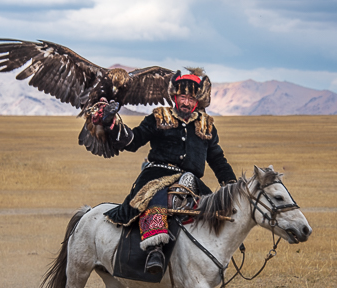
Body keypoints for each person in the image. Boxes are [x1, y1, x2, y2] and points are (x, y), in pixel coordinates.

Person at [87, 69, 236, 274]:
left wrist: (231, 187)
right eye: (182, 97)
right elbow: (133, 141)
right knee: (156, 196)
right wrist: (111, 124)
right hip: (157, 175)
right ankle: (154, 249)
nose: (186, 102)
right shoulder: (159, 117)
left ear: (198, 100)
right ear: (174, 97)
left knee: (213, 210)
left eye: (191, 98)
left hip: (191, 180)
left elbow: (217, 160)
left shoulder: (207, 126)